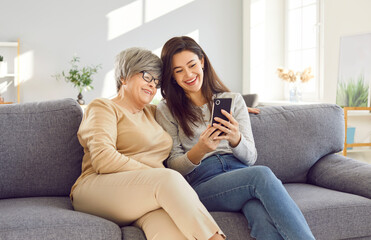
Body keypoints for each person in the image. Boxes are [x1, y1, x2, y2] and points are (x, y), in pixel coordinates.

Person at [156, 36, 315, 240]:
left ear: (202, 61)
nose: (188, 74)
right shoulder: (166, 109)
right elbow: (174, 167)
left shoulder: (232, 100)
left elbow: (250, 158)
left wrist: (236, 139)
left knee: (259, 212)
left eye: (192, 65)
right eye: (179, 71)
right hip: (202, 181)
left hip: (240, 174)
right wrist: (200, 150)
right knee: (262, 175)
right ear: (172, 77)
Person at [70, 47, 225, 240]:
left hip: (145, 194)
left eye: (157, 82)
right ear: (124, 77)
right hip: (97, 189)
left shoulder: (154, 112)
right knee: (169, 179)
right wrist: (154, 175)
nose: (152, 85)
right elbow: (103, 160)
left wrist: (236, 108)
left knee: (171, 232)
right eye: (146, 76)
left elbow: (192, 108)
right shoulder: (104, 107)